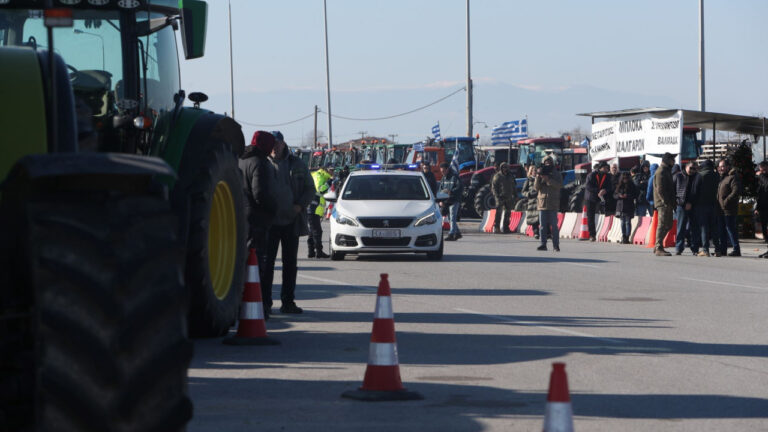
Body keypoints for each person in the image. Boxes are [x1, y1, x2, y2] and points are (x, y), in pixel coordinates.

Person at [263, 131, 316, 317]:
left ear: (284, 144)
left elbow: (310, 188)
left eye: (277, 143)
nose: (274, 147)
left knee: (290, 264)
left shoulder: (297, 164)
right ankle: (265, 303)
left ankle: (288, 302)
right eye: (271, 144)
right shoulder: (262, 163)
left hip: (291, 222)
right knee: (267, 265)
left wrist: (300, 206)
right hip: (269, 223)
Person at [239, 131, 276, 298]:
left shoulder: (241, 159)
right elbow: (259, 193)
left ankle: (241, 300)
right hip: (257, 219)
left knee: (243, 260)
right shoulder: (259, 162)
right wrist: (273, 207)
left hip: (241, 216)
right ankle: (254, 302)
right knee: (256, 262)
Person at [692, 159, 720, 257]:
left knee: (704, 227)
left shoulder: (700, 175)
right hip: (713, 204)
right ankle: (717, 250)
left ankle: (705, 249)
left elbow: (694, 190)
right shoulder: (716, 175)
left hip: (701, 205)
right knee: (714, 227)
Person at [534, 156, 562, 251]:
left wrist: (548, 180)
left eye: (549, 162)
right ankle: (543, 244)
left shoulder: (556, 174)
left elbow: (559, 185)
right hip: (542, 204)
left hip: (553, 203)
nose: (548, 164)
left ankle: (556, 245)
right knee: (542, 226)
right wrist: (538, 177)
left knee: (554, 226)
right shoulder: (541, 173)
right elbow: (536, 188)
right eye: (546, 162)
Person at [673, 161, 700, 255]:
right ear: (686, 167)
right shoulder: (678, 176)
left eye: (695, 169)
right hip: (681, 205)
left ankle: (695, 248)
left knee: (694, 228)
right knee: (681, 228)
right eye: (691, 168)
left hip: (694, 205)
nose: (692, 170)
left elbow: (699, 192)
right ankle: (679, 248)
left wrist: (691, 203)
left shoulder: (697, 177)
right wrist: (680, 203)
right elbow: (673, 191)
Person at [653, 153, 676, 256]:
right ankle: (659, 247)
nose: (674, 162)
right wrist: (665, 201)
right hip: (663, 203)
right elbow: (660, 189)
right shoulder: (661, 171)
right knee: (662, 224)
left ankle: (658, 245)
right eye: (672, 160)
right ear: (667, 160)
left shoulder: (667, 170)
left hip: (668, 202)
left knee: (669, 224)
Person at [717, 158, 741, 257]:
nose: (721, 168)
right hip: (720, 209)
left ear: (728, 167)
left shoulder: (732, 177)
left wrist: (726, 201)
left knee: (730, 229)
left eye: (723, 166)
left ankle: (736, 249)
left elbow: (736, 191)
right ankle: (723, 250)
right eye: (720, 166)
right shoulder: (722, 178)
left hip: (729, 209)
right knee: (722, 230)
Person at [307, 167, 333, 259]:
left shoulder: (321, 176)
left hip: (313, 208)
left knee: (312, 231)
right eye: (331, 170)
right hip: (313, 208)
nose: (332, 172)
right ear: (326, 169)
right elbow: (320, 190)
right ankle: (319, 252)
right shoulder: (319, 176)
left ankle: (311, 252)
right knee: (317, 231)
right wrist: (328, 183)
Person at [583, 161, 611, 241]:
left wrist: (605, 190)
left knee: (605, 213)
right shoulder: (591, 175)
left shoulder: (607, 176)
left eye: (607, 168)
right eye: (604, 168)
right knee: (590, 216)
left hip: (602, 197)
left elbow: (610, 186)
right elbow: (588, 186)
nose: (606, 169)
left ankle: (605, 233)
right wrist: (598, 191)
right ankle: (592, 235)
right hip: (590, 198)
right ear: (600, 168)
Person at [438, 161, 463, 241]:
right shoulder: (443, 178)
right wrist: (440, 200)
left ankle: (451, 234)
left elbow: (460, 187)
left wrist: (451, 192)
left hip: (454, 200)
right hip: (446, 201)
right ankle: (457, 233)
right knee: (449, 218)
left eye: (443, 171)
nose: (442, 173)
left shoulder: (455, 177)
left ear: (447, 169)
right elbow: (440, 190)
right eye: (441, 171)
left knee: (452, 217)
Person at [491, 162, 518, 233]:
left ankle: (506, 228)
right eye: (503, 167)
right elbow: (494, 187)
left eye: (506, 167)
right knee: (498, 213)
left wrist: (515, 195)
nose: (505, 169)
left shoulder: (510, 176)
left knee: (508, 213)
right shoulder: (497, 176)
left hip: (509, 197)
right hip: (500, 197)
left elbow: (513, 186)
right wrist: (496, 196)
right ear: (501, 168)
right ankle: (496, 227)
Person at [613, 172, 639, 244]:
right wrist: (619, 196)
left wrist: (627, 196)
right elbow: (614, 195)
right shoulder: (619, 186)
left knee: (628, 222)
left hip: (629, 206)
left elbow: (635, 195)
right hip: (620, 206)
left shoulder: (632, 185)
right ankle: (623, 236)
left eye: (626, 178)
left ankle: (627, 236)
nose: (625, 180)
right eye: (624, 178)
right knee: (622, 222)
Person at [521, 165, 540, 239]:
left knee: (541, 217)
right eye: (533, 170)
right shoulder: (528, 181)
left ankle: (545, 233)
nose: (535, 172)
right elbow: (523, 192)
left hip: (539, 201)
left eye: (536, 170)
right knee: (533, 218)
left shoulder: (540, 179)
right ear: (531, 172)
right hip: (532, 202)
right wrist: (529, 194)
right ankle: (536, 233)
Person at [755, 161, 768, 258]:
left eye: (764, 169)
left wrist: (761, 176)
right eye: (761, 170)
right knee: (764, 230)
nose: (762, 171)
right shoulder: (762, 178)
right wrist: (757, 207)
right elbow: (760, 194)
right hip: (763, 208)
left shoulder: (763, 178)